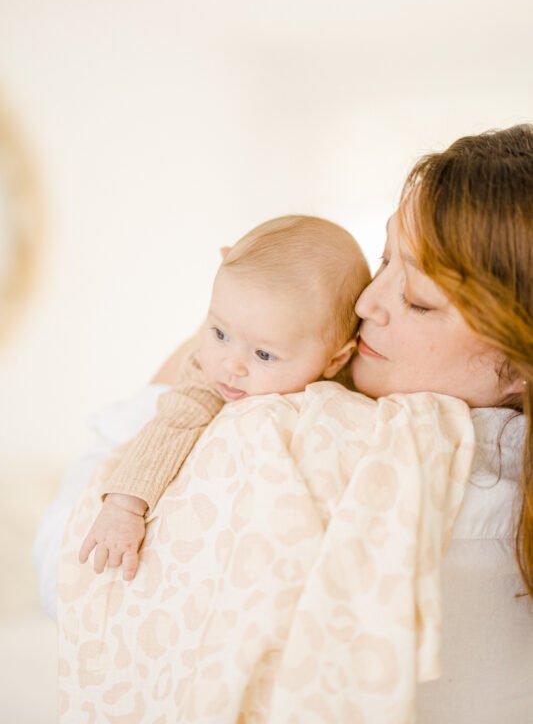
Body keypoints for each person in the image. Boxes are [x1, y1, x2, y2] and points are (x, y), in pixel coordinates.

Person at [37, 124, 533, 721]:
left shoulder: (292, 440)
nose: (366, 303)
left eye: (418, 301)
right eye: (383, 259)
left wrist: (188, 364)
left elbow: (69, 572)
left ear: (520, 363)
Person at [78, 215, 371, 581]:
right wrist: (124, 507)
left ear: (335, 360)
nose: (230, 364)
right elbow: (173, 425)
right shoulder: (205, 374)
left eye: (263, 354)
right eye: (218, 333)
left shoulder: (350, 385)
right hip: (128, 425)